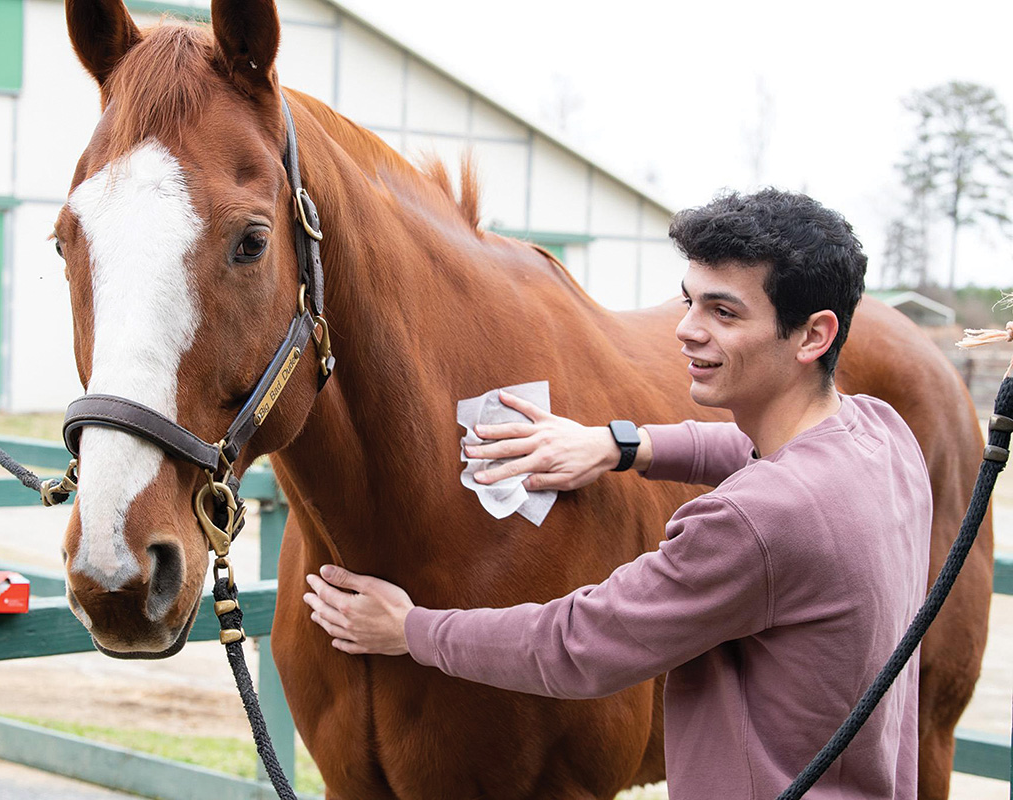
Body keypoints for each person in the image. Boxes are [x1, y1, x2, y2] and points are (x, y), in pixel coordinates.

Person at [302, 189, 931, 799]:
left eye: (723, 312)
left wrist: (410, 630)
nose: (685, 330)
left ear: (813, 336)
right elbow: (759, 456)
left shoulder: (752, 522)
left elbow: (580, 645)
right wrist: (621, 446)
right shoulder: (880, 434)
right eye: (688, 302)